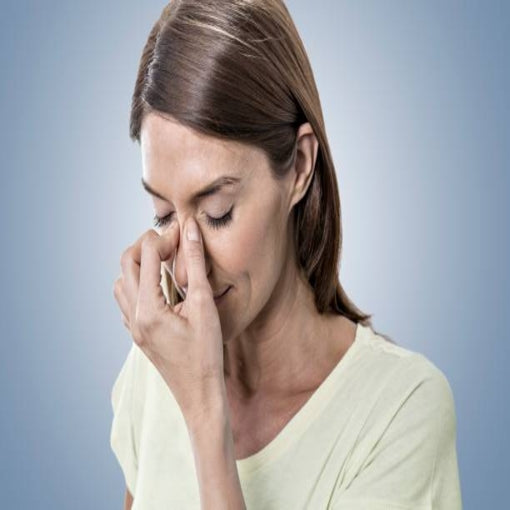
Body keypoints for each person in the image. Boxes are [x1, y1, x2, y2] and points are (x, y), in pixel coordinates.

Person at [110, 1, 463, 509]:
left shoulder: (400, 413)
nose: (187, 270)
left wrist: (204, 411)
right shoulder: (158, 363)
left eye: (218, 212)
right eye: (163, 215)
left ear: (298, 166)